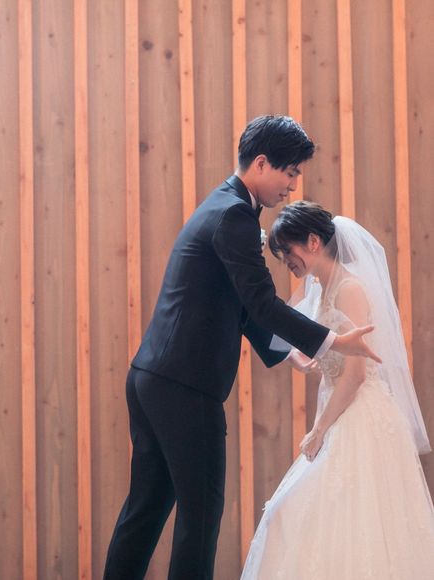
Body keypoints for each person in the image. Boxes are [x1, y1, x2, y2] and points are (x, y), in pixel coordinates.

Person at [103, 115, 380, 580]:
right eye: (289, 172)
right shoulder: (233, 215)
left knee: (146, 508)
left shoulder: (226, 207)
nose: (293, 185)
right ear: (262, 163)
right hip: (186, 386)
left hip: (153, 378)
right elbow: (262, 302)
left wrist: (289, 352)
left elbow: (242, 305)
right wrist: (332, 341)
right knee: (201, 513)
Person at [240, 201, 434, 579]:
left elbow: (356, 374)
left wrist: (319, 429)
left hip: (359, 417)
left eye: (288, 251)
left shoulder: (349, 289)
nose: (285, 261)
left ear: (313, 242)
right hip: (336, 413)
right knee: (301, 518)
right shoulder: (319, 289)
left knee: (351, 522)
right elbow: (311, 351)